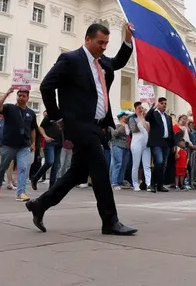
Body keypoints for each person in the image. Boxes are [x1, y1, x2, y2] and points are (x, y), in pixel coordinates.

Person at [26, 22, 137, 235]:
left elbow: (119, 61)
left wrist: (127, 39)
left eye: (106, 43)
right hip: (79, 125)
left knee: (77, 173)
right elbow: (46, 86)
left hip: (97, 126)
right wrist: (58, 117)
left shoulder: (102, 62)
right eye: (100, 42)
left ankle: (39, 205)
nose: (103, 47)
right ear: (87, 39)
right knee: (101, 171)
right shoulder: (71, 60)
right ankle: (110, 221)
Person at [0, 87, 37, 202]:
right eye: (19, 95)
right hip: (9, 144)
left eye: (23, 96)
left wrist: (33, 143)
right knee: (3, 167)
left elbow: (32, 129)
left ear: (28, 98)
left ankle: (21, 192)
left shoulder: (31, 113)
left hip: (24, 145)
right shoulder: (9, 108)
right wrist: (6, 93)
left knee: (23, 168)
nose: (21, 98)